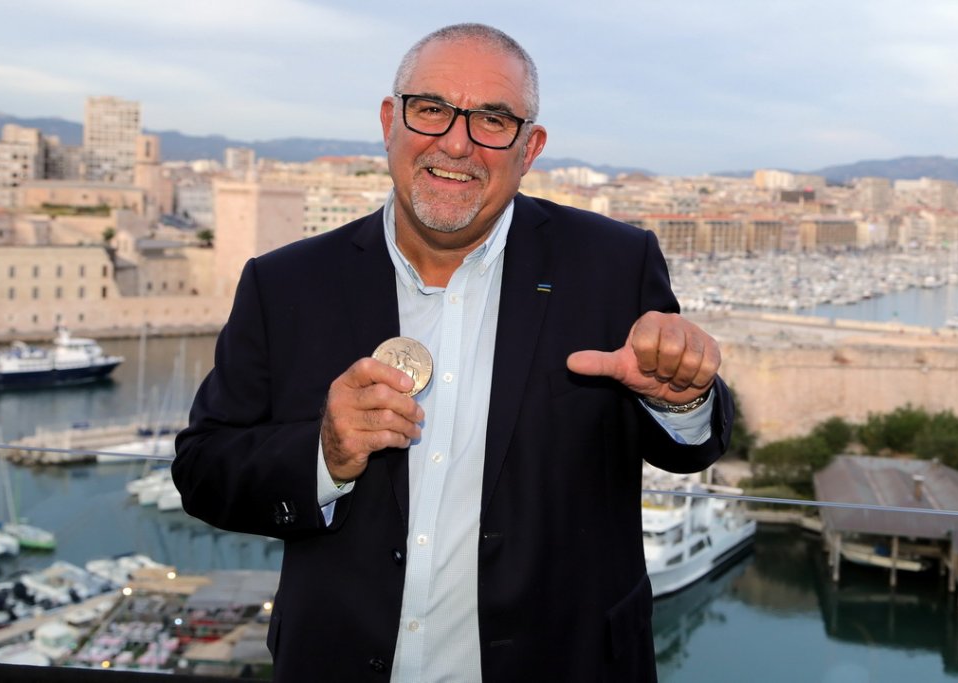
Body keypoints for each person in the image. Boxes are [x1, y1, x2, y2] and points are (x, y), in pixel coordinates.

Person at [173, 22, 734, 683]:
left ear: (530, 148)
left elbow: (691, 445)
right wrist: (323, 454)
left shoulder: (612, 264)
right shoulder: (287, 284)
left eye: (493, 119)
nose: (458, 142)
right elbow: (204, 470)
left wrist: (682, 396)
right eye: (432, 109)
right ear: (390, 120)